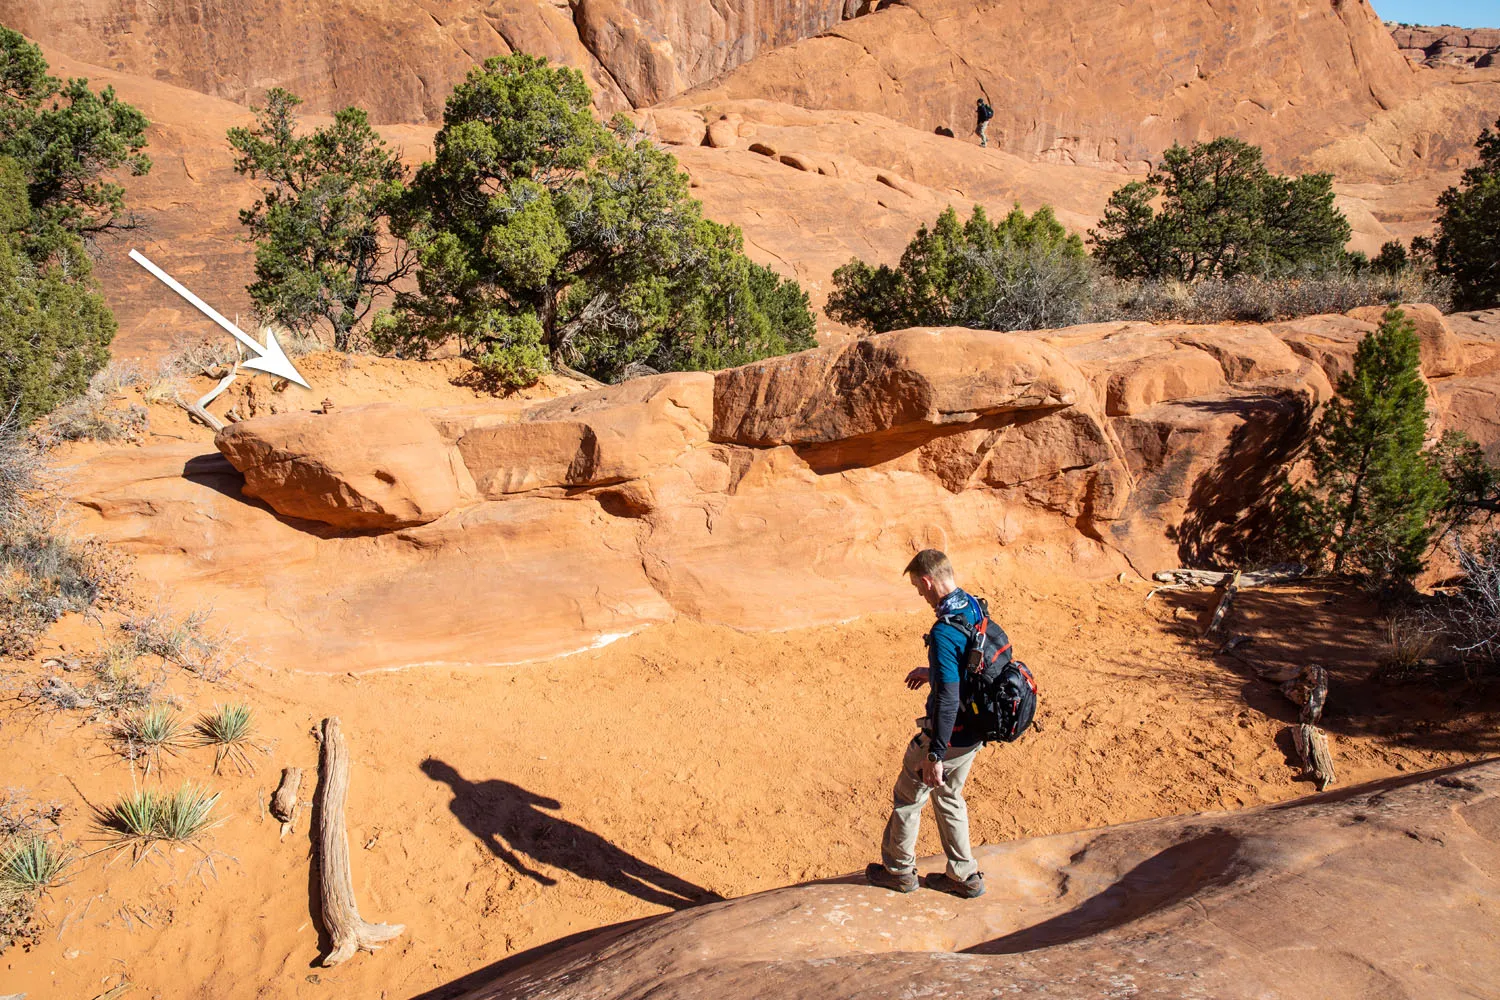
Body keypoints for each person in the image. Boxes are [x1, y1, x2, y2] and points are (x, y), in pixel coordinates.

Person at [866, 548, 990, 898]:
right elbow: (970, 666)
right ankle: (964, 876)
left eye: (919, 590)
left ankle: (899, 871)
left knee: (908, 796)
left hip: (949, 734)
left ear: (927, 581)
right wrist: (934, 672)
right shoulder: (974, 606)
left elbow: (949, 699)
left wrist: (935, 753)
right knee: (950, 796)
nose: (921, 596)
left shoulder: (942, 632)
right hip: (973, 731)